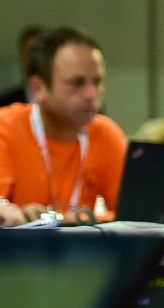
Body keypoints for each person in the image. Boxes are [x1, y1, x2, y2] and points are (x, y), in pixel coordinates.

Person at [0, 27, 127, 226]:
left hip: (84, 254)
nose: (91, 95)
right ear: (38, 89)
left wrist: (62, 219)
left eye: (97, 82)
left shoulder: (106, 134)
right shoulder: (6, 128)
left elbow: (135, 216)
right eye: (77, 83)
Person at [0, 25, 44, 107]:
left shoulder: (62, 101)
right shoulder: (5, 104)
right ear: (22, 57)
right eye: (29, 53)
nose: (34, 60)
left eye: (39, 54)